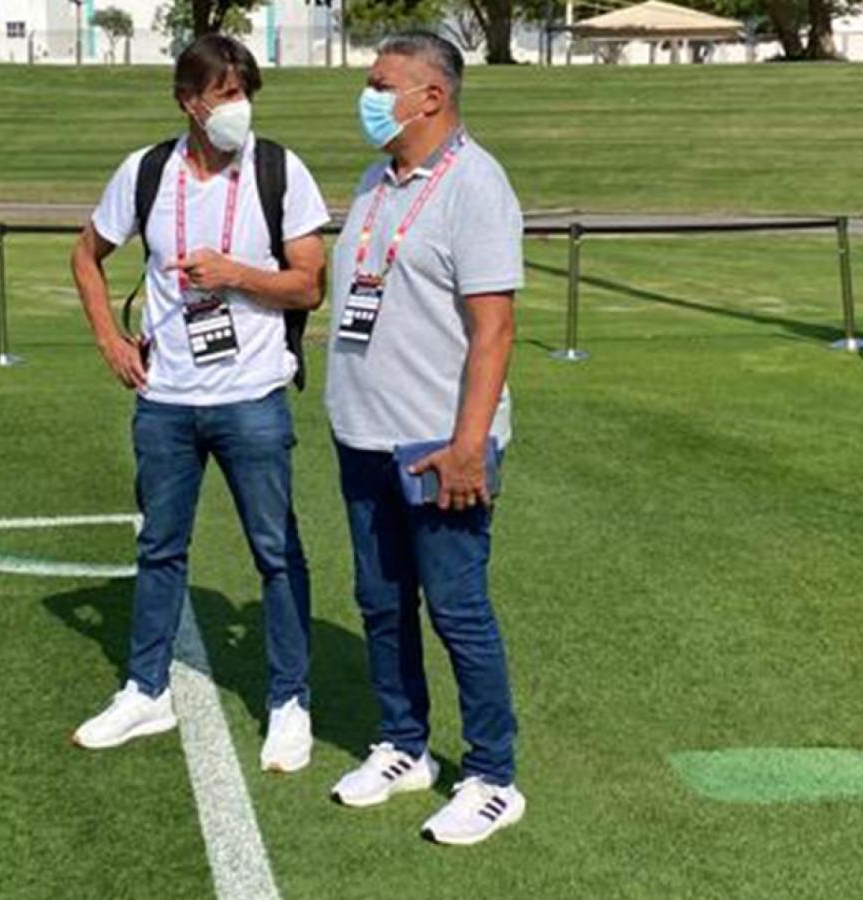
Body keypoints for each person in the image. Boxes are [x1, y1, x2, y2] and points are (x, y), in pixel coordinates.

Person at [69, 34, 331, 774]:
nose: (238, 108)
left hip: (252, 396)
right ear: (189, 102)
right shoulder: (146, 171)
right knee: (158, 547)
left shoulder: (280, 171)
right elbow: (86, 255)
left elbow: (310, 283)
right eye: (224, 94)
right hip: (166, 401)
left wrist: (236, 273)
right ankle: (145, 690)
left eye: (246, 92)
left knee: (277, 553)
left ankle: (289, 701)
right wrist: (109, 340)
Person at [324, 31, 526, 845]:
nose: (368, 96)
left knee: (458, 609)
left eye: (380, 83)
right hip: (363, 436)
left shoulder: (476, 186)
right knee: (379, 603)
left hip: (437, 445)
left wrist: (469, 443)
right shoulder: (379, 179)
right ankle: (405, 746)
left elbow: (495, 329)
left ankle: (492, 775)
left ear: (430, 97)